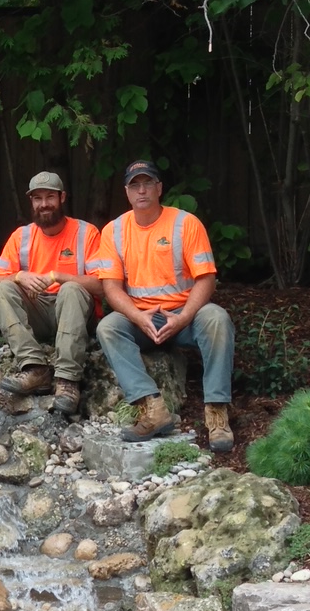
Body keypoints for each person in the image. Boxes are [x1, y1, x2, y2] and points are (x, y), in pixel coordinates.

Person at [92, 161, 235, 450]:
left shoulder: (186, 224)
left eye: (148, 183)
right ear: (127, 192)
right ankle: (152, 408)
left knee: (217, 318)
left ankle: (217, 413)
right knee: (108, 327)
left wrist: (183, 317)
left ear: (159, 188)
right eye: (134, 185)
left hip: (186, 315)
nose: (141, 190)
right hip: (141, 318)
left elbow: (206, 279)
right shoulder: (114, 231)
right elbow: (111, 288)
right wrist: (137, 316)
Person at [0, 171, 104, 416]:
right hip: (37, 311)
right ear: (31, 202)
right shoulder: (21, 236)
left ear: (62, 198)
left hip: (76, 314)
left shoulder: (86, 233)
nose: (44, 204)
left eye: (50, 197)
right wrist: (19, 276)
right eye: (37, 198)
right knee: (1, 289)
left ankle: (67, 381)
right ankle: (35, 369)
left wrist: (60, 276)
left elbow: (102, 286)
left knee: (71, 289)